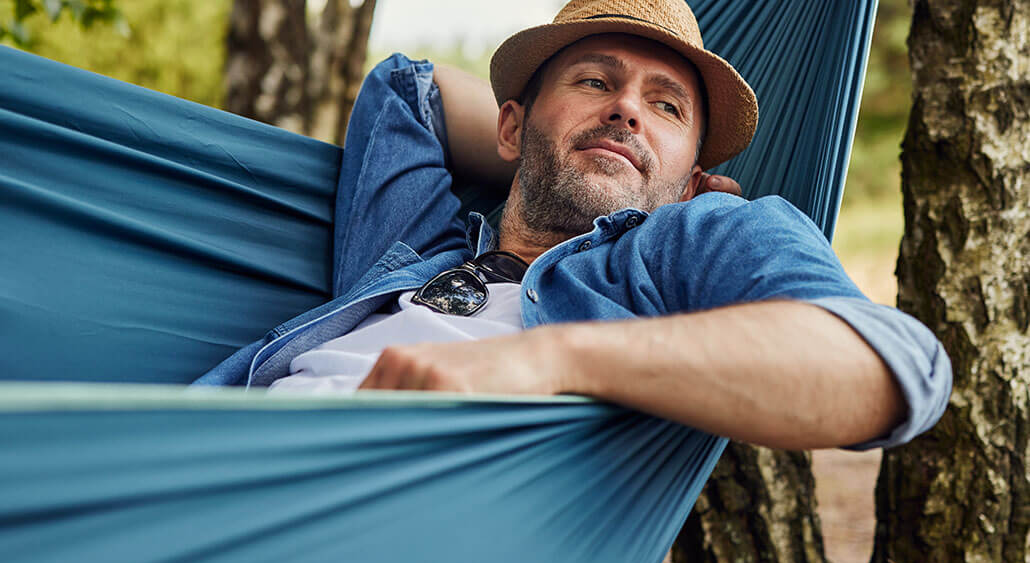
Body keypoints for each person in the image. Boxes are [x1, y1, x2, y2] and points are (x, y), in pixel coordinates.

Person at [196, 0, 951, 451]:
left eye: (666, 106)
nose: (626, 108)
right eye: (594, 81)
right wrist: (541, 152)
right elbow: (405, 90)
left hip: (336, 507)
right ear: (510, 125)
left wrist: (548, 360)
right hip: (190, 450)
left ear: (692, 180)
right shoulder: (413, 247)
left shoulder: (691, 238)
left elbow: (893, 367)